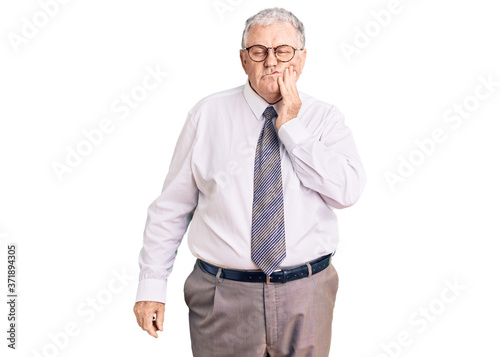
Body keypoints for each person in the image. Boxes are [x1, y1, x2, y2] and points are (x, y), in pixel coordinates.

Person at [133, 7, 366, 356]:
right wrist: (151, 286)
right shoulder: (207, 115)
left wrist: (291, 129)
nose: (271, 61)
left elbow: (346, 192)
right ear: (244, 60)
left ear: (301, 59)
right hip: (223, 297)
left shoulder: (325, 119)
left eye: (283, 51)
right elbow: (172, 207)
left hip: (307, 292)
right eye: (259, 51)